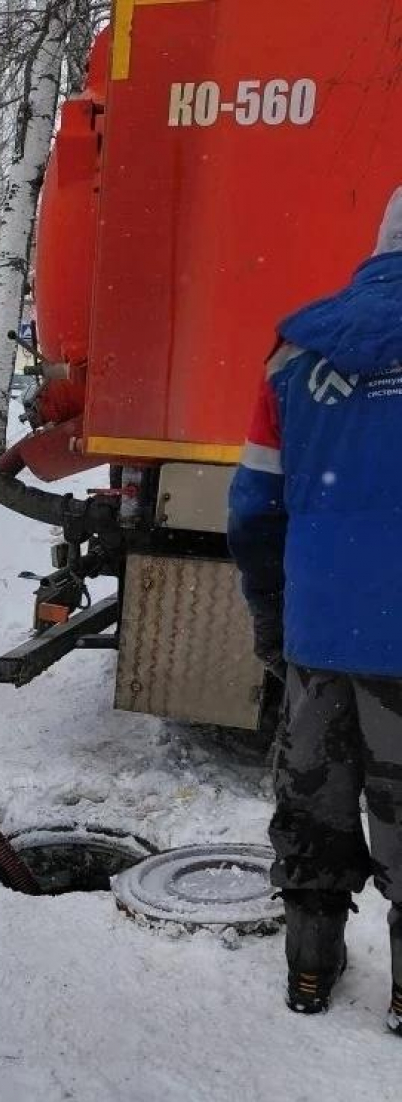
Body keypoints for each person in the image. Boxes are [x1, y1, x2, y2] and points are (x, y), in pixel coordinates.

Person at [229, 188, 402, 1032]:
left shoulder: (295, 354)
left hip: (322, 629)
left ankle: (309, 970)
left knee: (314, 801)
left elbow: (253, 508)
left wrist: (273, 618)